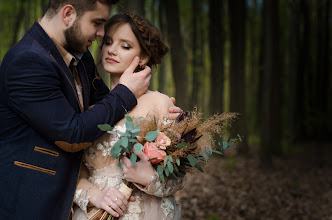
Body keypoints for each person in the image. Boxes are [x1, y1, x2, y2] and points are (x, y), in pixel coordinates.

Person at [0, 1, 181, 219]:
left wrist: (163, 113)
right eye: (97, 23)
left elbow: (108, 110)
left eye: (124, 45)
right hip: (32, 202)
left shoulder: (80, 57)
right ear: (68, 14)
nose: (101, 34)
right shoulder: (28, 60)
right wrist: (127, 92)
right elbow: (74, 132)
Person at [72, 12, 184, 220]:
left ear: (142, 57)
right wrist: (95, 195)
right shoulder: (87, 111)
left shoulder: (160, 104)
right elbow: (75, 175)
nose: (111, 50)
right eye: (107, 42)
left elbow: (179, 177)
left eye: (125, 46)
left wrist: (149, 178)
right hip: (96, 213)